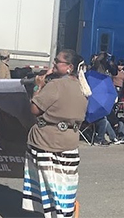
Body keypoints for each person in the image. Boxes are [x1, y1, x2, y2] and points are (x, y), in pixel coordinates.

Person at [22, 49, 87, 218]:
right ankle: (66, 213)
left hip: (47, 143)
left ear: (69, 67)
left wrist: (38, 85)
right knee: (64, 187)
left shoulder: (56, 86)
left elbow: (34, 109)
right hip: (70, 144)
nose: (54, 64)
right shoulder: (82, 86)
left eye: (57, 62)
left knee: (49, 189)